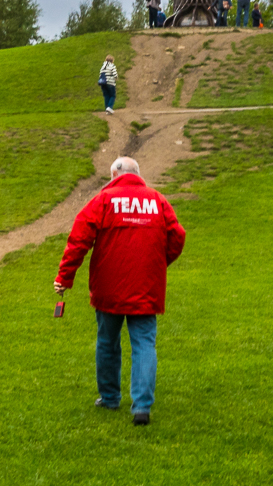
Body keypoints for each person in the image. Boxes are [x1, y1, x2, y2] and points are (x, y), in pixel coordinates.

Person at [54, 156, 187, 426]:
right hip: (146, 286)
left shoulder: (103, 200)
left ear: (115, 174)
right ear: (138, 173)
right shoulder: (157, 200)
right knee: (144, 343)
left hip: (108, 286)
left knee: (107, 342)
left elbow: (79, 239)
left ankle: (110, 397)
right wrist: (158, 264)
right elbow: (178, 236)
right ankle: (142, 407)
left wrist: (65, 277)